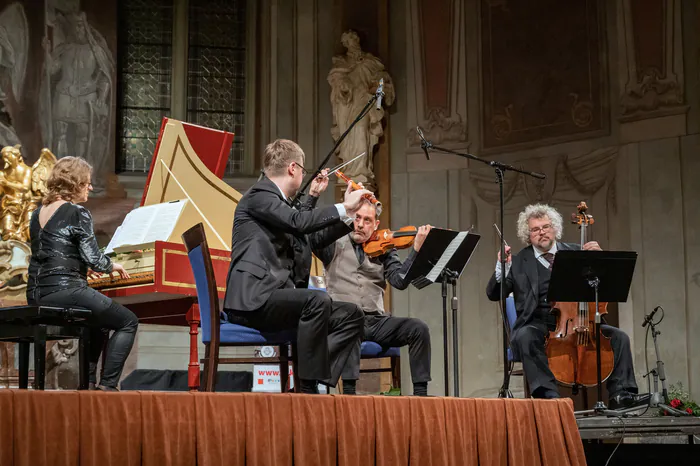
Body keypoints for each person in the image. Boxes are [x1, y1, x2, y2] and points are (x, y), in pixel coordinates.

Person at [223, 139, 372, 394]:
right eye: (303, 170)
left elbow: (310, 239)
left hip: (272, 297)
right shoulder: (260, 196)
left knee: (352, 315)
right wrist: (342, 206)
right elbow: (298, 221)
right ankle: (307, 389)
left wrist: (349, 215)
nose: (304, 176)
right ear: (293, 168)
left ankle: (313, 380)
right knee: (317, 301)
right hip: (253, 299)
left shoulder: (277, 204)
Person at [486, 203, 641, 408]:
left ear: (555, 229)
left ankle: (623, 395)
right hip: (537, 325)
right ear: (528, 235)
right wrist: (502, 267)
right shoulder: (517, 261)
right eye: (535, 229)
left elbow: (606, 288)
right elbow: (494, 293)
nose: (542, 232)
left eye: (546, 226)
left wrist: (602, 262)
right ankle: (549, 399)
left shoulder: (578, 253)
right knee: (525, 336)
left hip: (581, 323)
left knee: (619, 337)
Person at [26, 156, 137, 391]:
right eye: (87, 183)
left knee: (101, 323)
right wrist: (111, 265)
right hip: (66, 290)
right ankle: (107, 386)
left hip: (38, 293)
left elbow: (59, 251)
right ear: (74, 184)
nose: (90, 187)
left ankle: (87, 384)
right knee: (128, 321)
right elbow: (93, 259)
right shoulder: (77, 212)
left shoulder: (37, 214)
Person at [310, 199, 433, 396]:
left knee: (418, 328)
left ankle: (421, 394)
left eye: (367, 220)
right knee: (352, 321)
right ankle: (349, 393)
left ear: (376, 225)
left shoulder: (385, 249)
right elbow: (312, 237)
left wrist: (416, 251)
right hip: (343, 320)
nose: (360, 224)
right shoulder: (333, 244)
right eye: (357, 218)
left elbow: (399, 282)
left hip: (377, 321)